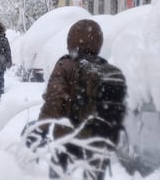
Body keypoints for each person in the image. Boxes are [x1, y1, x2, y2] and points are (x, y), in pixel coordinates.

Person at [30, 19, 126, 180]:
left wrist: (41, 129)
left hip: (67, 136)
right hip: (99, 140)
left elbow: (54, 100)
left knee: (58, 174)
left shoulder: (65, 65)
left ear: (71, 40)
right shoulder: (107, 69)